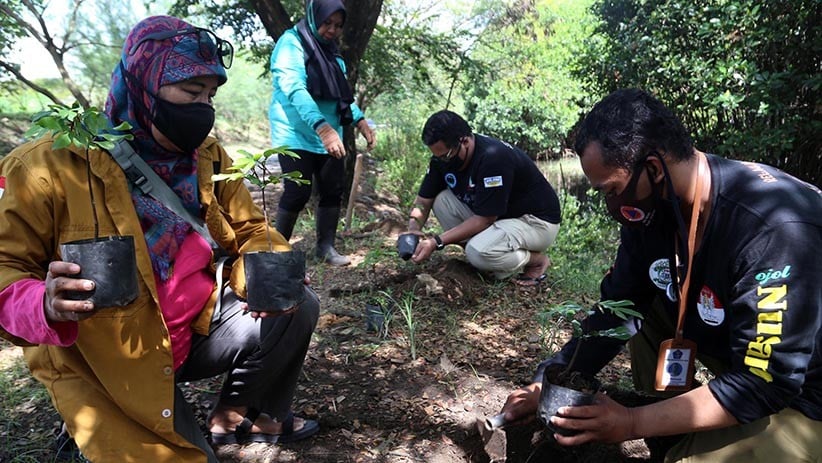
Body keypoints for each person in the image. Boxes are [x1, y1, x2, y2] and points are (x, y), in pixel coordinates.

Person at [0, 16, 321, 462]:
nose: (203, 108)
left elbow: (250, 229)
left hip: (191, 333)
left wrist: (267, 269)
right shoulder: (48, 164)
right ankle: (81, 435)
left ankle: (237, 416)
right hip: (110, 366)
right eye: (191, 93)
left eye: (210, 95)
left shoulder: (207, 157)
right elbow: (6, 266)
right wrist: (44, 303)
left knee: (299, 306)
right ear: (142, 84)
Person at [501, 88, 822, 461]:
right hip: (747, 358)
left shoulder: (773, 228)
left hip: (804, 393)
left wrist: (632, 423)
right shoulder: (657, 209)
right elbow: (619, 309)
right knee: (646, 305)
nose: (612, 206)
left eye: (611, 191)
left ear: (652, 168)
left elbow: (765, 383)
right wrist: (547, 379)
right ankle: (673, 421)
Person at [268, 0, 376, 267]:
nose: (332, 30)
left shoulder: (331, 52)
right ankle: (277, 251)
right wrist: (322, 128)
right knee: (297, 191)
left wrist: (360, 120)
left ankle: (325, 247)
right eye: (327, 23)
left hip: (329, 133)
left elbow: (340, 93)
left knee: (332, 189)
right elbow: (294, 88)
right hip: (296, 131)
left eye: (338, 25)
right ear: (315, 17)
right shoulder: (291, 43)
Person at [406, 110, 561, 285]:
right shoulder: (442, 159)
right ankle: (489, 258)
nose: (442, 161)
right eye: (437, 156)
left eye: (446, 156)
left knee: (477, 252)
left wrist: (436, 242)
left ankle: (536, 261)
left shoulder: (493, 157)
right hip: (501, 217)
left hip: (535, 222)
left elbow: (485, 219)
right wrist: (413, 228)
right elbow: (423, 201)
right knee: (442, 201)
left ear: (464, 141)